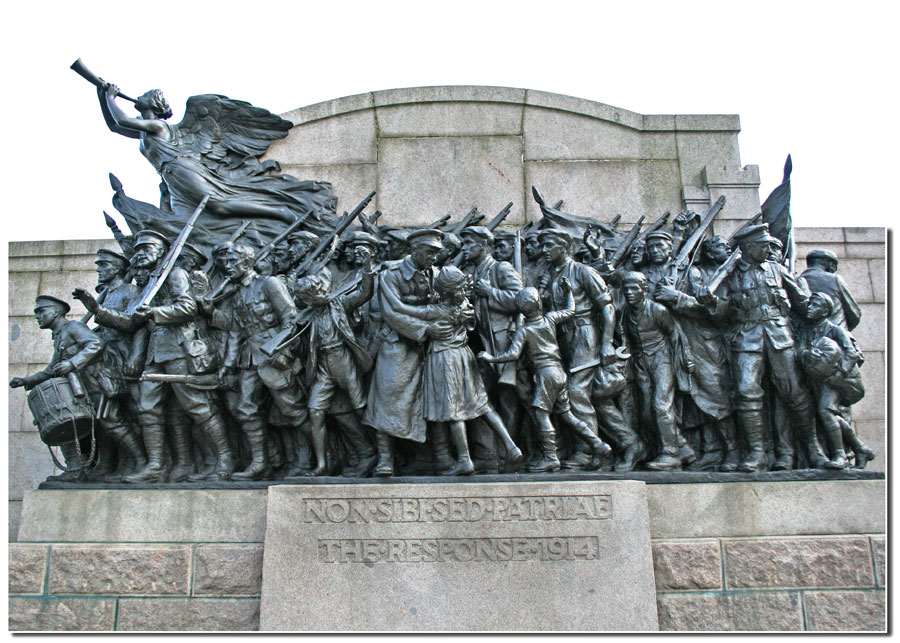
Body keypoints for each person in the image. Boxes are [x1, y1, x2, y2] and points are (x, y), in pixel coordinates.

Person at [96, 84, 337, 234]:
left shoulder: (158, 126)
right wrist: (102, 95)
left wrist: (111, 97)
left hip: (181, 168)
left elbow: (122, 120)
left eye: (145, 95)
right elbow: (114, 127)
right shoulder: (143, 131)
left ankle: (281, 213)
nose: (139, 95)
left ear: (155, 104)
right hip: (171, 178)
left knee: (217, 205)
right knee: (187, 223)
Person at [95, 230, 233, 483]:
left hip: (179, 347)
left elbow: (188, 307)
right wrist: (96, 309)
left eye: (145, 249)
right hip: (154, 351)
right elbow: (130, 322)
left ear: (161, 252)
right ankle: (157, 465)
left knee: (197, 406)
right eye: (137, 250)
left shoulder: (175, 274)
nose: (139, 254)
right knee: (147, 408)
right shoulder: (146, 282)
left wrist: (154, 312)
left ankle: (225, 459)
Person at [696, 223, 828, 472]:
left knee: (794, 393)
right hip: (746, 337)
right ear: (748, 248)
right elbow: (721, 314)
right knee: (746, 392)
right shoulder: (730, 274)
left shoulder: (777, 270)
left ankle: (814, 449)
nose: (768, 249)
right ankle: (756, 453)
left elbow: (803, 303)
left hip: (779, 336)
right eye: (763, 245)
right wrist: (711, 301)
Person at [480, 282, 611, 472]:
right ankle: (598, 444)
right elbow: (570, 311)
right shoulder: (550, 318)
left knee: (541, 414)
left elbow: (513, 355)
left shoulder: (524, 330)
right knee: (566, 415)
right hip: (559, 373)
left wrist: (490, 357)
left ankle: (551, 457)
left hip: (545, 375)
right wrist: (569, 292)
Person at [415, 266, 523, 475]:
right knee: (482, 405)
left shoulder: (437, 310)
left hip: (445, 358)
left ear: (443, 291)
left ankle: (464, 459)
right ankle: (511, 446)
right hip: (465, 356)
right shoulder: (465, 304)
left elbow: (409, 311)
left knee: (454, 411)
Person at [363, 228, 452, 476]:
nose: (434, 258)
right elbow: (391, 313)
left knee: (434, 400)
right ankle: (385, 459)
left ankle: (440, 457)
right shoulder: (390, 274)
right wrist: (425, 329)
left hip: (431, 349)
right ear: (414, 250)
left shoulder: (437, 274)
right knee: (388, 397)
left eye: (437, 253)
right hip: (397, 344)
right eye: (429, 252)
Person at [220, 242, 308, 480]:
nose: (226, 267)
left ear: (247, 262)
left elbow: (290, 317)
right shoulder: (237, 292)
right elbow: (236, 332)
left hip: (273, 352)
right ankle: (261, 463)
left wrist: (282, 350)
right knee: (246, 408)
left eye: (231, 262)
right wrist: (228, 365)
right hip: (250, 356)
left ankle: (320, 457)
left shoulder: (269, 283)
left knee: (292, 409)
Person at [293, 252, 377, 477]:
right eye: (316, 293)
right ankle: (322, 464)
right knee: (315, 411)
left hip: (344, 361)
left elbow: (365, 294)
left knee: (361, 408)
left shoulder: (339, 303)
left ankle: (382, 454)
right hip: (323, 365)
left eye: (322, 289)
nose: (323, 293)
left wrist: (368, 270)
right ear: (308, 300)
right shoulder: (306, 317)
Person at [538, 228, 615, 469]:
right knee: (562, 395)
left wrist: (606, 342)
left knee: (576, 393)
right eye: (543, 246)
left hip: (584, 335)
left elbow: (607, 307)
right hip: (559, 339)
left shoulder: (583, 271)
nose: (544, 251)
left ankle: (586, 451)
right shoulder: (548, 274)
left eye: (549, 245)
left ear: (564, 247)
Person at [72, 249, 149, 481]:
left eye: (103, 266)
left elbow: (136, 325)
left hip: (122, 357)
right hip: (102, 359)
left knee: (119, 414)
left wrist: (136, 358)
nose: (99, 270)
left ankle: (137, 462)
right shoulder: (104, 293)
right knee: (100, 414)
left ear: (117, 269)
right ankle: (106, 464)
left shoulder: (131, 291)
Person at [10, 296, 104, 481]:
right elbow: (52, 369)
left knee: (111, 427)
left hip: (93, 387)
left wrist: (72, 363)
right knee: (61, 419)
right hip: (76, 390)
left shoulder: (74, 327)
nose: (38, 316)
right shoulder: (59, 335)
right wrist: (27, 380)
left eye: (41, 311)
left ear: (56, 312)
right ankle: (75, 468)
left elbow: (96, 343)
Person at [620, 272, 691, 471]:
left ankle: (671, 454)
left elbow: (674, 335)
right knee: (646, 412)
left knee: (661, 406)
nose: (629, 292)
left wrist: (683, 362)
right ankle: (683, 447)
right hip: (640, 362)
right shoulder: (625, 312)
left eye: (634, 288)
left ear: (644, 290)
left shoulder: (658, 310)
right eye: (626, 289)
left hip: (661, 360)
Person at [797, 293, 874, 469]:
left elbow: (852, 352)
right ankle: (861, 449)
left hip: (836, 379)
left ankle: (841, 455)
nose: (809, 308)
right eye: (810, 305)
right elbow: (800, 348)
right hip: (818, 379)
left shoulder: (834, 329)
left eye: (814, 305)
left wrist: (840, 373)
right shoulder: (806, 330)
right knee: (828, 414)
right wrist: (806, 353)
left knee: (825, 411)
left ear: (825, 311)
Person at [800, 249, 862, 332]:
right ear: (831, 265)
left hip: (807, 337)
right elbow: (854, 313)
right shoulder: (835, 279)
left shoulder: (796, 281)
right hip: (836, 336)